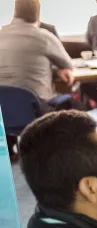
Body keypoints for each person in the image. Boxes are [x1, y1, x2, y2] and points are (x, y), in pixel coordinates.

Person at [0, 0, 74, 162]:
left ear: (15, 12)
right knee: (68, 103)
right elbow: (68, 64)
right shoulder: (43, 36)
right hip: (35, 110)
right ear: (38, 15)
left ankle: (12, 149)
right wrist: (57, 70)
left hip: (3, 111)